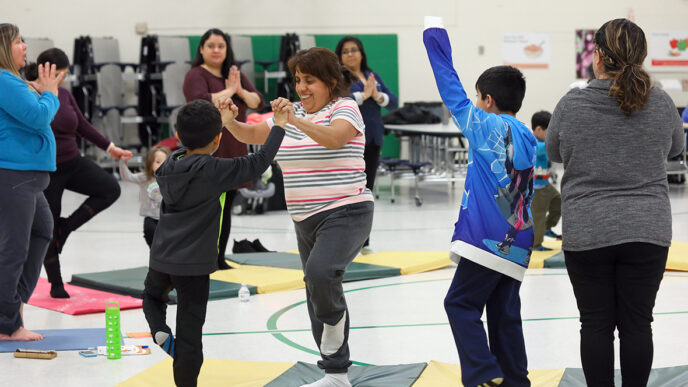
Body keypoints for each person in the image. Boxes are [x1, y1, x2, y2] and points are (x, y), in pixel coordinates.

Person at [222, 47, 373, 387]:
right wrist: (230, 121)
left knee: (321, 275)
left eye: (310, 81)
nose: (301, 87)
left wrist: (294, 119)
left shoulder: (344, 108)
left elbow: (335, 139)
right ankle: (336, 375)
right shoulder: (294, 114)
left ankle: (336, 361)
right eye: (298, 80)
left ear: (331, 82)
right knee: (314, 288)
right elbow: (253, 135)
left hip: (346, 210)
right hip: (305, 219)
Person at [547, 18, 685, 387]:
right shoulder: (660, 102)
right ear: (640, 57)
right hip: (648, 228)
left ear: (598, 58)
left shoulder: (573, 102)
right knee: (638, 323)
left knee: (595, 323)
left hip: (588, 229)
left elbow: (554, 152)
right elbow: (676, 148)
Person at [424, 17, 536, 387]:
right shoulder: (527, 137)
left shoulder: (481, 123)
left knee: (459, 303)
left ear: (488, 101)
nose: (473, 102)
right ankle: (516, 380)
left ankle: (484, 372)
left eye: (477, 97)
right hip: (520, 237)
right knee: (505, 313)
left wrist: (433, 34)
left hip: (486, 237)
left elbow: (447, 82)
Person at [142, 98, 284, 387]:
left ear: (179, 137)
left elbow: (191, 146)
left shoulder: (168, 166)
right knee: (190, 337)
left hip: (161, 258)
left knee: (151, 298)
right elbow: (258, 162)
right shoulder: (214, 171)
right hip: (193, 267)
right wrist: (279, 127)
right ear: (218, 139)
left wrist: (216, 123)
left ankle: (158, 329)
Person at [24, 48, 132, 299]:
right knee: (46, 225)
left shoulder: (64, 94)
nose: (63, 80)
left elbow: (81, 125)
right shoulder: (29, 94)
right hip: (47, 170)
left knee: (110, 189)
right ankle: (55, 282)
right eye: (60, 75)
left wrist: (110, 147)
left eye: (65, 75)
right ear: (45, 71)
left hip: (73, 162)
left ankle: (67, 228)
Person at [0, 24, 63, 341]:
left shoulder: (11, 81)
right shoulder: (2, 79)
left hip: (27, 177)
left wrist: (41, 90)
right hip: (14, 175)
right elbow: (38, 117)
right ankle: (7, 324)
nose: (25, 46)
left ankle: (14, 305)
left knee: (41, 230)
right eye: (19, 42)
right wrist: (51, 94)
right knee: (14, 248)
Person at [182, 28, 264, 269]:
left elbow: (257, 100)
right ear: (202, 49)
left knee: (226, 206)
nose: (216, 50)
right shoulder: (195, 75)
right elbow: (200, 101)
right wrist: (230, 91)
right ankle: (200, 256)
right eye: (211, 46)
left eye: (221, 46)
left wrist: (239, 90)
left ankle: (218, 258)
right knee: (206, 209)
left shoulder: (233, 74)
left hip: (233, 147)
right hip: (208, 149)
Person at [335, 36, 398, 253]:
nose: (350, 54)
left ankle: (364, 240)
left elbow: (393, 101)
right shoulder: (340, 78)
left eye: (354, 50)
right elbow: (339, 100)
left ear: (362, 53)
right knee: (350, 191)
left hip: (373, 139)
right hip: (351, 141)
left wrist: (377, 95)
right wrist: (363, 95)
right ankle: (347, 241)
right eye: (345, 51)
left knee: (366, 191)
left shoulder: (373, 75)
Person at [119, 145, 171, 247]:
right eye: (157, 162)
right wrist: (122, 163)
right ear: (150, 163)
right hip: (150, 217)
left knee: (167, 241)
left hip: (167, 218)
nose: (161, 165)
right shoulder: (145, 178)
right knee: (150, 233)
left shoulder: (171, 179)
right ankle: (155, 256)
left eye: (164, 162)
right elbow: (128, 176)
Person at [530, 111, 561, 251]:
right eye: (549, 132)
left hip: (545, 185)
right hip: (536, 188)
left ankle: (546, 228)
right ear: (538, 130)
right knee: (538, 215)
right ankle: (536, 244)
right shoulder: (536, 144)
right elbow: (547, 149)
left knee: (558, 201)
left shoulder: (542, 143)